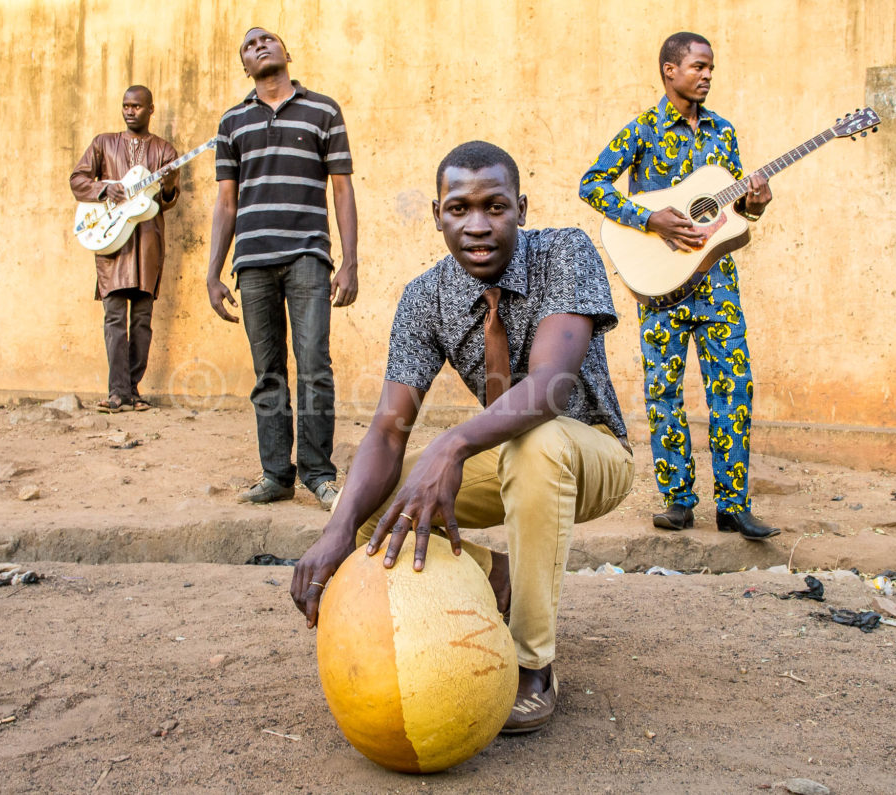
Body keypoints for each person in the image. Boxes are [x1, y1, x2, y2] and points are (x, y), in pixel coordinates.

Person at [290, 141, 634, 733]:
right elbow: (389, 427)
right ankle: (495, 578)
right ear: (437, 213)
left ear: (520, 208)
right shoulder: (425, 296)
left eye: (495, 207)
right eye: (459, 209)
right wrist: (334, 531)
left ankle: (532, 663)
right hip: (505, 454)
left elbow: (552, 387)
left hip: (590, 451)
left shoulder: (566, 251)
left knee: (538, 442)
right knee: (373, 510)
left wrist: (452, 445)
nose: (477, 226)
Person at [579, 31, 780, 541]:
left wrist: (755, 202)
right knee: (664, 393)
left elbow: (732, 211)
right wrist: (650, 220)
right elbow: (592, 184)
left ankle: (733, 506)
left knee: (733, 391)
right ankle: (678, 502)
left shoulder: (724, 132)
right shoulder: (642, 132)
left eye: (711, 67)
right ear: (669, 70)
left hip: (716, 284)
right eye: (698, 66)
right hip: (661, 288)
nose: (707, 74)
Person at [207, 27, 359, 509]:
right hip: (251, 262)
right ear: (245, 67)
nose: (259, 47)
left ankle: (318, 473)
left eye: (266, 40)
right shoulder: (232, 122)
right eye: (249, 46)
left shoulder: (324, 110)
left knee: (314, 366)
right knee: (267, 371)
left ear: (286, 53)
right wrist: (213, 272)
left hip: (308, 256)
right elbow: (225, 203)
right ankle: (277, 475)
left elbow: (342, 190)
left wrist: (349, 261)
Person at [70, 85, 179, 413]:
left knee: (142, 321)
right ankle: (117, 393)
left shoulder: (164, 151)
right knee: (114, 317)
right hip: (110, 242)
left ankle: (132, 389)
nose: (130, 111)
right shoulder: (103, 143)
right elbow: (78, 180)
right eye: (126, 106)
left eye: (137, 106)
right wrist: (106, 189)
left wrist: (171, 184)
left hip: (147, 244)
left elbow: (168, 202)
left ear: (151, 109)